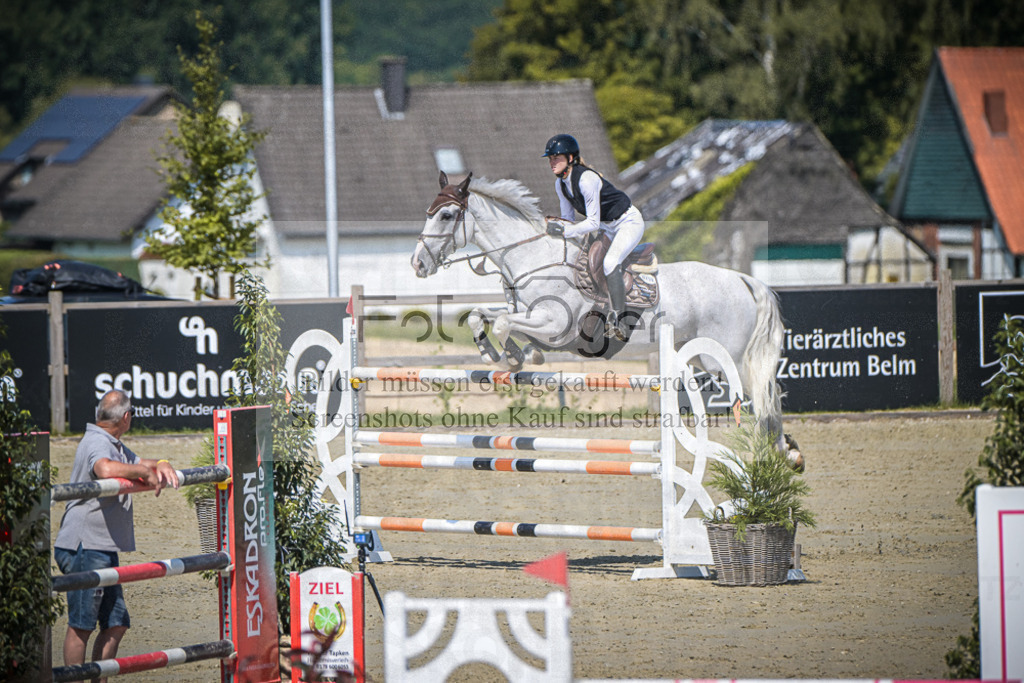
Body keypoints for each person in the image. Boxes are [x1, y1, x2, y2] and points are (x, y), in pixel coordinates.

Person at [53, 389, 179, 678]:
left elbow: (140, 463)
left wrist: (160, 463)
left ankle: (99, 677)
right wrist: (142, 471)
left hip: (100, 546)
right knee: (81, 625)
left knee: (116, 622)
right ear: (126, 417)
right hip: (85, 545)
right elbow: (104, 468)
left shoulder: (111, 441)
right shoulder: (98, 442)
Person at [542, 133, 646, 341]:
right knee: (589, 261)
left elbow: (591, 223)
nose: (552, 162)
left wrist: (564, 231)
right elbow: (568, 219)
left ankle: (620, 320)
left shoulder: (587, 179)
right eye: (550, 158)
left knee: (609, 263)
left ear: (570, 158)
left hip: (627, 222)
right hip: (608, 228)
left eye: (557, 158)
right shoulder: (560, 184)